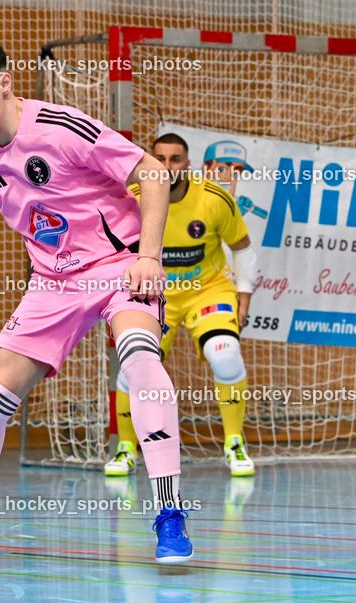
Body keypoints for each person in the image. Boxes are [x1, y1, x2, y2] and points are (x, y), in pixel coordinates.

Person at [0, 35, 194, 564]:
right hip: (52, 283)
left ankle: (168, 512)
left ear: (6, 83)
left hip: (118, 266)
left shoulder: (62, 127)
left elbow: (152, 174)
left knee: (139, 359)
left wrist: (150, 258)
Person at [105, 133, 257, 479]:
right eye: (161, 158)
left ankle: (234, 443)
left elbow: (244, 248)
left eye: (176, 159)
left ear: (187, 164)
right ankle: (127, 449)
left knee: (226, 353)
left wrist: (243, 296)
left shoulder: (215, 198)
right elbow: (115, 253)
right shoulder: (134, 197)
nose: (169, 166)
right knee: (133, 364)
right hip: (155, 294)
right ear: (151, 162)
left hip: (209, 292)